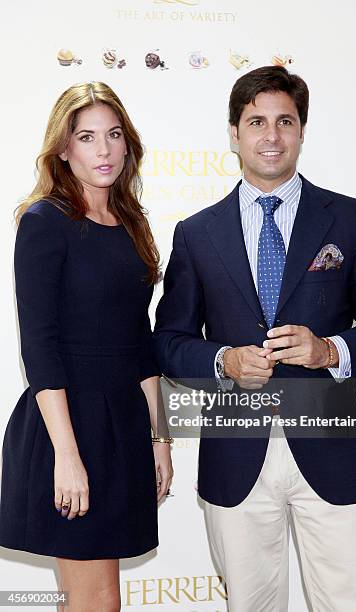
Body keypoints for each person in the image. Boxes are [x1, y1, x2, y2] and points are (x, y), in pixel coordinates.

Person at [153, 66, 356, 611]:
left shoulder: (354, 221)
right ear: (234, 132)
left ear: (301, 130)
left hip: (334, 451)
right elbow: (168, 340)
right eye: (256, 122)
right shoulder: (196, 234)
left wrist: (331, 351)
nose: (271, 136)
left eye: (284, 122)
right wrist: (223, 360)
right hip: (235, 457)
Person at [0, 81, 173, 612]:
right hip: (67, 427)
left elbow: (139, 344)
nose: (103, 150)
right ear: (64, 148)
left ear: (128, 145)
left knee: (94, 600)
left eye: (113, 135)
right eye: (87, 137)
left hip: (120, 426)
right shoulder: (44, 222)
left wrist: (159, 436)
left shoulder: (132, 224)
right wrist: (67, 458)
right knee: (97, 602)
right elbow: (40, 349)